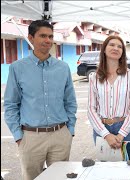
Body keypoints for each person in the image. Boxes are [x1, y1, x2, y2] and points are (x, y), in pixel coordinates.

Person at [4, 20, 77, 180]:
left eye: (50, 36)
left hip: (60, 135)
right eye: (43, 36)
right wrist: (18, 135)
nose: (48, 40)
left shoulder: (63, 68)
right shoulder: (17, 68)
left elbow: (70, 102)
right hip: (30, 137)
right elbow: (10, 104)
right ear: (31, 38)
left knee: (60, 178)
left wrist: (69, 130)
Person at [87, 35, 130, 160]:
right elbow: (91, 108)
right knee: (105, 168)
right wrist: (106, 134)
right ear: (104, 49)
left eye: (119, 46)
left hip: (125, 127)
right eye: (111, 45)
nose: (116, 48)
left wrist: (122, 134)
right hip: (101, 128)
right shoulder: (94, 77)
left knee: (125, 167)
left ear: (122, 52)